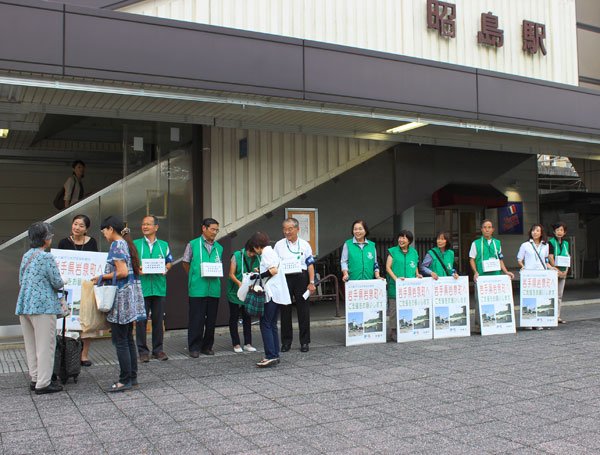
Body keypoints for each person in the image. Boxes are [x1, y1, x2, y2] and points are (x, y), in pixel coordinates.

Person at [92, 216, 145, 392]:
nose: (104, 235)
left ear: (110, 229)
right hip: (130, 297)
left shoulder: (116, 245)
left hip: (120, 298)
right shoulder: (126, 243)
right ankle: (132, 377)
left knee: (120, 340)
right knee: (128, 339)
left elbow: (121, 272)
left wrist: (101, 277)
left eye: (104, 231)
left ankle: (124, 380)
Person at [16, 222, 65, 394]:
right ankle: (44, 384)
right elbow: (57, 282)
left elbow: (21, 280)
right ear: (45, 239)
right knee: (45, 345)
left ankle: (35, 378)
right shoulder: (46, 257)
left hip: (24, 304)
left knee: (31, 345)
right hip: (43, 306)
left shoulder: (26, 256)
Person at [57, 214, 99, 366]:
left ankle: (84, 355)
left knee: (87, 322)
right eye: (75, 224)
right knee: (67, 322)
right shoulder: (63, 242)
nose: (77, 228)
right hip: (68, 288)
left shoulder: (92, 242)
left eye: (81, 226)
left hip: (86, 288)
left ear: (86, 229)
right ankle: (67, 354)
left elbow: (95, 263)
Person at [247, 232, 291, 368]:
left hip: (271, 293)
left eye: (253, 248)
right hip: (278, 294)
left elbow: (272, 271)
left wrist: (257, 276)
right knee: (271, 324)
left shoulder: (265, 252)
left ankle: (270, 355)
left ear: (256, 246)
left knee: (265, 323)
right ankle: (275, 354)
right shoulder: (271, 251)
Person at [133, 215, 173, 363]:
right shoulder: (135, 244)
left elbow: (169, 261)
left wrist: (166, 268)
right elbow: (130, 262)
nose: (145, 226)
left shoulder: (163, 245)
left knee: (158, 320)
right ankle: (143, 351)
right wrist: (137, 268)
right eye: (143, 224)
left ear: (156, 227)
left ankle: (158, 350)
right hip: (141, 288)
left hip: (159, 287)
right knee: (141, 321)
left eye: (148, 224)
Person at [182, 218, 224, 357]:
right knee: (196, 319)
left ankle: (207, 346)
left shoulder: (219, 247)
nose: (215, 232)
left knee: (211, 319)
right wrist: (194, 276)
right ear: (204, 228)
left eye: (216, 230)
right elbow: (186, 263)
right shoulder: (193, 244)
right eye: (212, 229)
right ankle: (194, 347)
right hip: (197, 288)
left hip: (214, 289)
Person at [274, 218, 316, 353]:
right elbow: (275, 265)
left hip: (301, 278)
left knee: (303, 311)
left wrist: (311, 282)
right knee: (285, 310)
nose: (287, 232)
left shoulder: (305, 245)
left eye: (290, 229)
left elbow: (310, 264)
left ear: (297, 229)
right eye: (285, 229)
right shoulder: (279, 245)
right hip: (285, 279)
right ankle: (286, 342)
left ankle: (305, 342)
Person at [386, 230, 423, 342]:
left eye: (404, 238)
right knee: (394, 309)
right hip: (395, 285)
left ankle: (406, 327)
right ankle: (393, 331)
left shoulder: (414, 252)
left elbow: (415, 265)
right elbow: (388, 268)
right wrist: (396, 279)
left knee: (408, 307)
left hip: (409, 287)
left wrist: (417, 274)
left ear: (409, 241)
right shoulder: (392, 251)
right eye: (400, 237)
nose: (401, 240)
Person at [226, 240, 259, 353]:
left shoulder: (258, 257)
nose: (252, 255)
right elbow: (231, 274)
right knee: (234, 317)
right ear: (246, 249)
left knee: (247, 317)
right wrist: (239, 283)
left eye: (254, 253)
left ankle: (248, 343)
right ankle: (236, 343)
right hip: (234, 291)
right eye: (250, 253)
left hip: (248, 291)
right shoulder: (237, 255)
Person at [548, 222, 570, 324]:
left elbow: (567, 257)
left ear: (564, 232)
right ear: (554, 232)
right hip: (554, 271)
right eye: (557, 230)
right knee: (552, 293)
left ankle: (557, 316)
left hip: (563, 271)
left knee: (560, 295)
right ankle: (551, 315)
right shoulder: (551, 242)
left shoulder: (566, 244)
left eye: (561, 230)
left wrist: (565, 271)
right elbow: (550, 257)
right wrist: (557, 270)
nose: (559, 232)